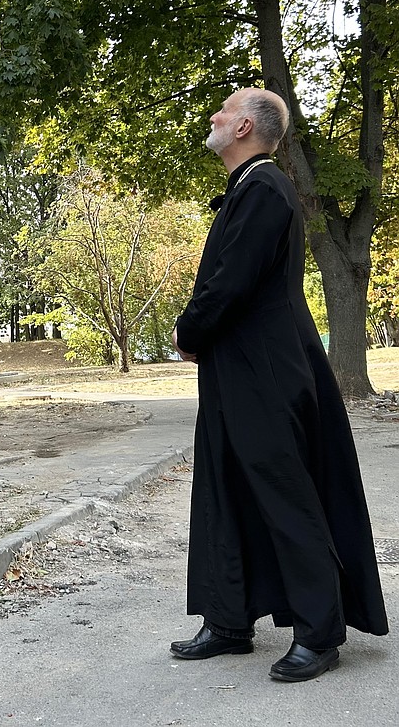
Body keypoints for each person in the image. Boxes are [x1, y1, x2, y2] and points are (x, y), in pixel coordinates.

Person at [170, 87, 388, 682]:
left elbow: (230, 284)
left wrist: (187, 331)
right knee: (226, 489)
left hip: (264, 371)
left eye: (224, 109)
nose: (214, 116)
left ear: (245, 128)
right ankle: (229, 619)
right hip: (236, 367)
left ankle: (319, 633)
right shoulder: (250, 189)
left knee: (285, 493)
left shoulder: (265, 189)